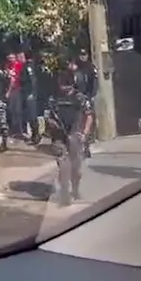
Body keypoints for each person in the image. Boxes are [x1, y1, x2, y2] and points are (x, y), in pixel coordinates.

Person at [45, 72, 94, 206]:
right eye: (61, 85)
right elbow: (48, 115)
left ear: (72, 85)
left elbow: (89, 115)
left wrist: (84, 133)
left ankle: (76, 189)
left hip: (75, 134)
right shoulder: (53, 98)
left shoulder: (80, 98)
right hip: (59, 135)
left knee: (76, 168)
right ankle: (65, 192)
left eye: (66, 85)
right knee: (63, 164)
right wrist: (51, 122)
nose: (63, 88)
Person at [18, 52, 41, 145]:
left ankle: (36, 135)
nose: (19, 58)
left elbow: (33, 80)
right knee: (28, 115)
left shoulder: (28, 66)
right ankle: (34, 135)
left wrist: (31, 92)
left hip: (29, 94)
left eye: (20, 56)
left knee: (32, 115)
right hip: (26, 93)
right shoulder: (26, 66)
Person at [4, 51, 24, 138]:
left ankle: (20, 130)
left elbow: (14, 79)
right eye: (9, 58)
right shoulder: (7, 66)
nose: (10, 60)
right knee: (12, 110)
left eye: (12, 58)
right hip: (10, 89)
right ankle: (14, 129)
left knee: (17, 110)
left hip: (17, 89)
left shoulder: (19, 65)